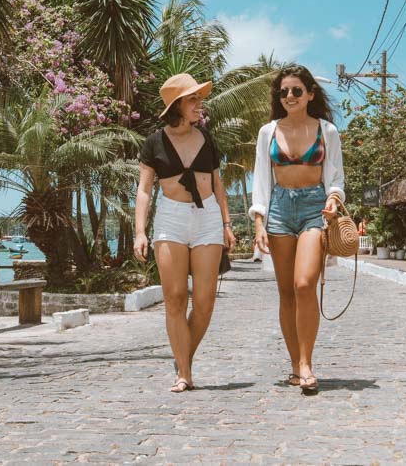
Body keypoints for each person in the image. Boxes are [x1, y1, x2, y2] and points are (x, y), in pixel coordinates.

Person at [134, 73, 236, 393]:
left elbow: (218, 185)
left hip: (206, 219)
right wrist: (140, 231)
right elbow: (144, 191)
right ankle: (185, 375)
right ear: (177, 104)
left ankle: (182, 359)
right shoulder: (154, 142)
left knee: (204, 303)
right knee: (175, 298)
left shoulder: (206, 137)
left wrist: (227, 223)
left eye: (198, 99)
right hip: (170, 220)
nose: (199, 105)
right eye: (193, 99)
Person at [249, 64, 344, 395]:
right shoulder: (268, 132)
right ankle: (294, 365)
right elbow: (261, 180)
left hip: (313, 210)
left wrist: (333, 199)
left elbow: (335, 179)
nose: (289, 96)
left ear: (310, 95)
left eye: (296, 91)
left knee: (305, 284)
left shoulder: (327, 131)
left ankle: (306, 364)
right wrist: (259, 220)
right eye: (284, 91)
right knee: (286, 292)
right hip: (278, 211)